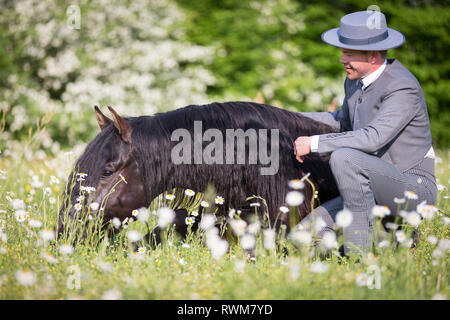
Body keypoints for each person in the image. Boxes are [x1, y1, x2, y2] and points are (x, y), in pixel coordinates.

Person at [293, 10, 437, 255]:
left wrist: (314, 143)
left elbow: (373, 137)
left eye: (348, 54)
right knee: (302, 238)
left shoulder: (402, 87)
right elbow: (341, 121)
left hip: (412, 189)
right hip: (366, 188)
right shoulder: (354, 81)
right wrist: (285, 117)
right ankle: (385, 247)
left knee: (344, 157)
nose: (341, 60)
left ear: (372, 56)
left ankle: (357, 256)